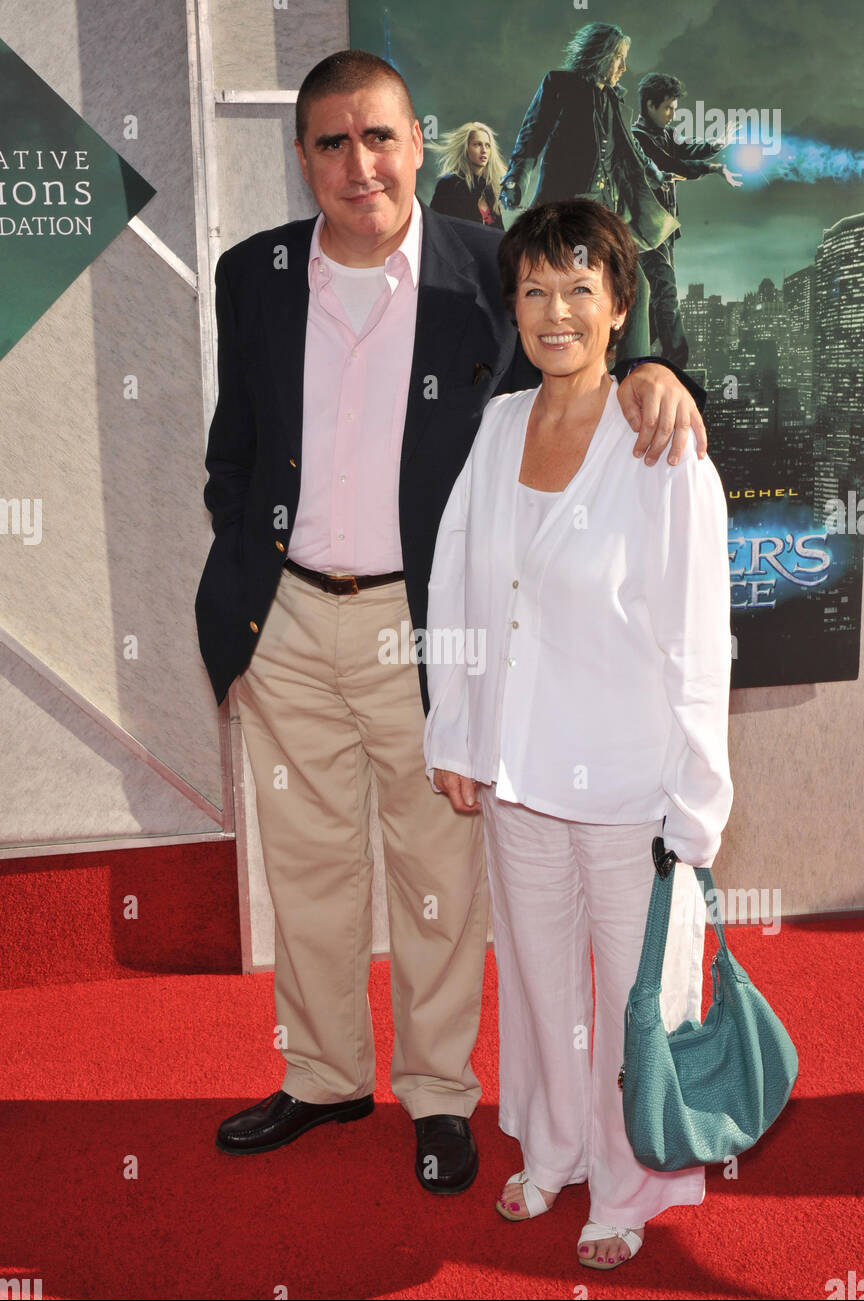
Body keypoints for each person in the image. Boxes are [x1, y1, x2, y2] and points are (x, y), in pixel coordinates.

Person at [194, 49, 709, 1197]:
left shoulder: (491, 267)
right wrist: (244, 571)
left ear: (420, 142)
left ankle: (438, 1094)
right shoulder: (254, 273)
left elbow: (585, 335)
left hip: (426, 630)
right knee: (311, 869)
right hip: (286, 624)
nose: (358, 163)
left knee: (436, 875)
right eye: (331, 142)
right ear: (305, 160)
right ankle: (325, 1074)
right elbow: (235, 448)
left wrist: (657, 370)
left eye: (378, 136)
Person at [424, 198, 732, 1266]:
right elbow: (463, 586)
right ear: (515, 304)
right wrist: (458, 734)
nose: (555, 311)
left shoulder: (661, 440)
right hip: (518, 774)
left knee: (629, 999)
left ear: (619, 307)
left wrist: (697, 807)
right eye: (535, 289)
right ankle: (552, 1149)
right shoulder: (501, 423)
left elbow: (700, 637)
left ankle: (626, 1183)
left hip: (628, 787)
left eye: (579, 290)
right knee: (542, 983)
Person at [499, 21, 678, 360]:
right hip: (566, 212)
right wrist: (514, 179)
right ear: (600, 55)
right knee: (553, 287)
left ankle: (631, 373)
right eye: (619, 58)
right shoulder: (559, 84)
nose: (623, 67)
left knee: (634, 287)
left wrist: (653, 171)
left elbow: (629, 151)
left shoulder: (614, 100)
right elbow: (530, 137)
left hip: (606, 214)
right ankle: (532, 367)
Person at [632, 73, 742, 366]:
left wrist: (716, 148)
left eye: (674, 108)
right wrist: (712, 168)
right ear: (650, 105)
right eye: (667, 108)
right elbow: (672, 164)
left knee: (656, 297)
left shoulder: (664, 134)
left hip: (664, 229)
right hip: (646, 229)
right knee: (665, 293)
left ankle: (628, 349)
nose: (673, 114)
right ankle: (675, 364)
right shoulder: (637, 138)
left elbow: (684, 149)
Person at [429, 122, 505, 228]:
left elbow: (500, 234)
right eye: (477, 144)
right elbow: (435, 228)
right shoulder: (449, 185)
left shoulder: (489, 190)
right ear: (465, 148)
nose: (484, 150)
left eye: (487, 145)